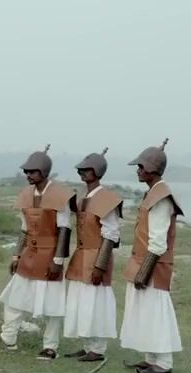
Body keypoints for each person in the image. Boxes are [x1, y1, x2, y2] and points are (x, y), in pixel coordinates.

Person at [0, 145, 75, 360]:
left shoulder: (60, 195)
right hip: (29, 254)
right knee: (14, 298)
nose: (28, 175)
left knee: (53, 305)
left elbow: (64, 229)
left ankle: (50, 346)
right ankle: (8, 337)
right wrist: (16, 255)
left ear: (44, 172)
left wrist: (58, 260)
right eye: (27, 171)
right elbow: (24, 229)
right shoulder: (25, 194)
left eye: (32, 171)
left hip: (50, 255)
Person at [121, 139, 184, 373]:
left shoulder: (161, 196)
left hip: (154, 265)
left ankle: (164, 363)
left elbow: (158, 242)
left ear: (152, 169)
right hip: (142, 261)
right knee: (144, 311)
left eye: (141, 167)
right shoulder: (154, 193)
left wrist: (144, 273)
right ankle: (150, 358)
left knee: (156, 312)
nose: (137, 171)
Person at [62, 148, 122, 362]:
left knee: (96, 302)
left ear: (97, 172)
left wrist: (100, 266)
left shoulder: (106, 198)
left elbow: (111, 234)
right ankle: (88, 345)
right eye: (80, 169)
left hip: (97, 257)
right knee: (81, 301)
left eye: (86, 169)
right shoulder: (84, 197)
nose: (82, 173)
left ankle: (97, 348)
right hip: (81, 255)